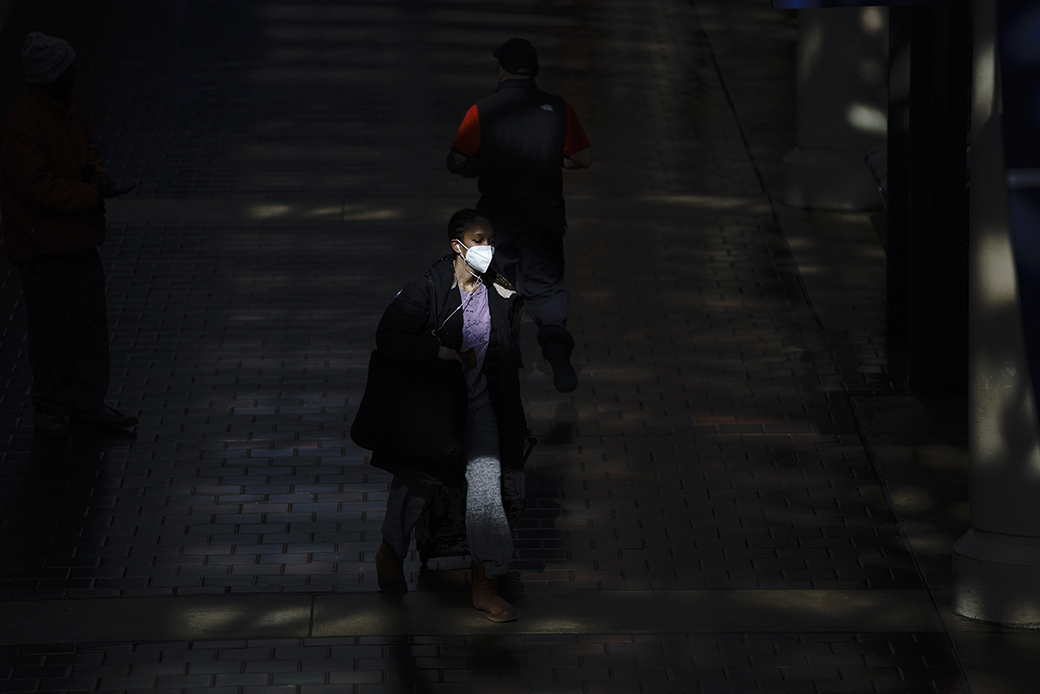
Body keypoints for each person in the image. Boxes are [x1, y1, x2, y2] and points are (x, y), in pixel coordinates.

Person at [370, 209, 527, 623]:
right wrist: (441, 353)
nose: (487, 248)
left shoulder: (502, 291)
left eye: (491, 239)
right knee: (417, 486)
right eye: (479, 239)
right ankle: (390, 551)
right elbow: (388, 336)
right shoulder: (429, 288)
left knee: (486, 491)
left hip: (481, 407)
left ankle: (485, 582)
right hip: (436, 411)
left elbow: (508, 353)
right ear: (457, 245)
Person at [0, 32, 137, 439]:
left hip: (75, 239)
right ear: (52, 75)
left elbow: (87, 152)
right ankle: (54, 408)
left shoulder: (66, 111)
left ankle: (82, 405)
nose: (77, 73)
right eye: (69, 68)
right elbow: (39, 189)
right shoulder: (23, 126)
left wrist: (97, 173)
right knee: (54, 333)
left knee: (87, 326)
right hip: (45, 247)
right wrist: (94, 191)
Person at [447, 37, 592, 393]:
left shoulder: (482, 110)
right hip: (545, 220)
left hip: (497, 222)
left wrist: (484, 164)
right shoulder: (559, 108)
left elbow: (457, 161)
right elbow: (582, 158)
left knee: (498, 291)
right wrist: (548, 157)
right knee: (546, 289)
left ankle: (505, 362)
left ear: (501, 71)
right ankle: (556, 346)